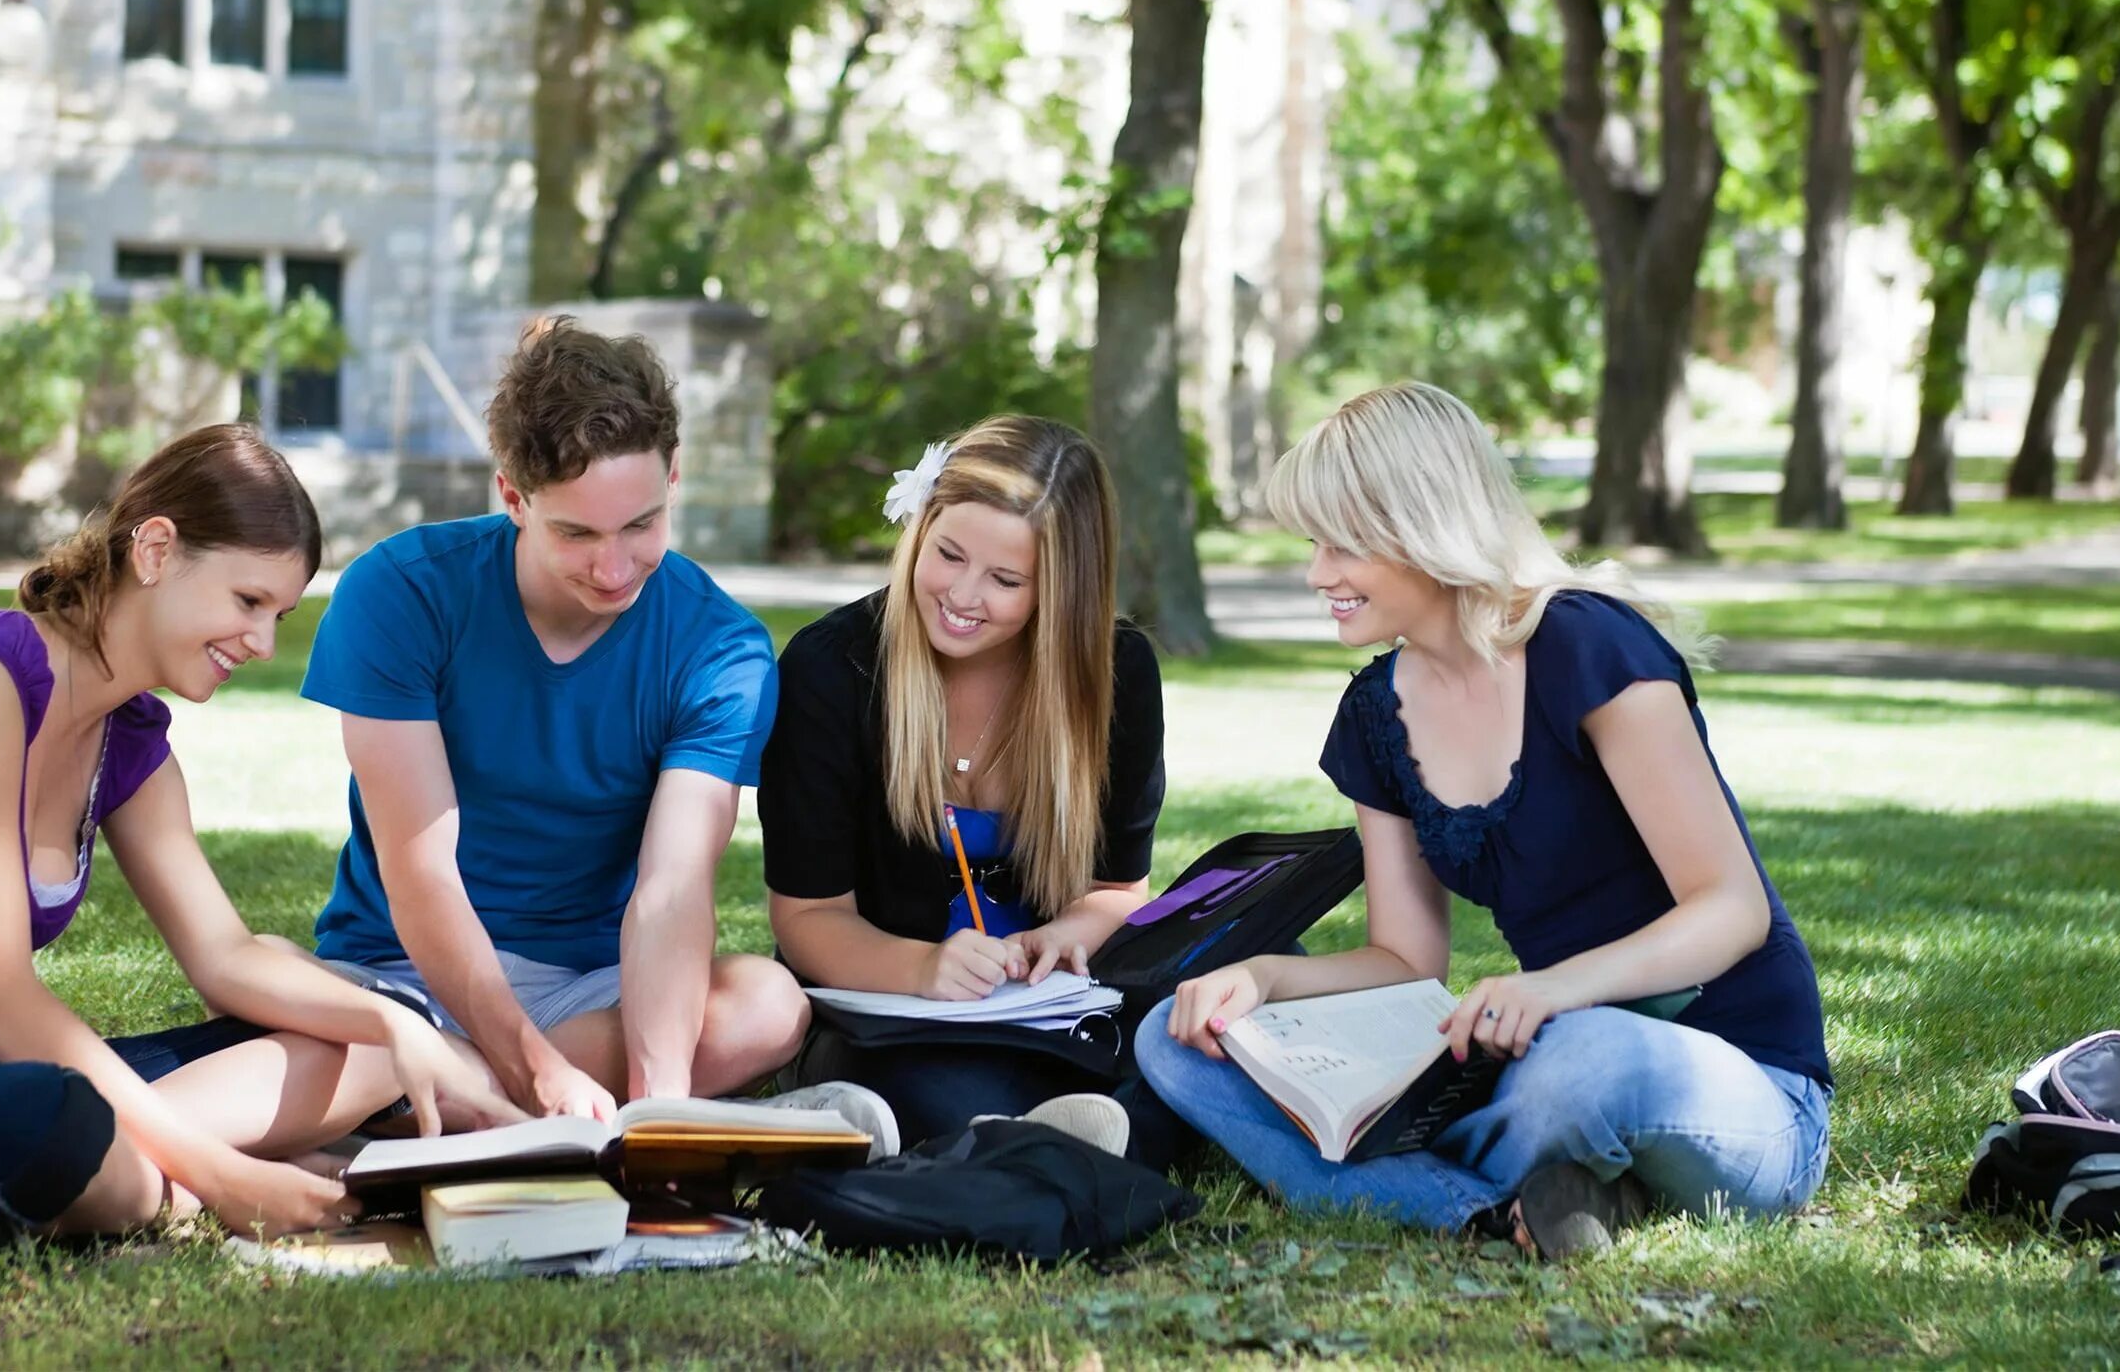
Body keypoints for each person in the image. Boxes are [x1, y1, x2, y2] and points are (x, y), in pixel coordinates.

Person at [0, 425, 511, 1249]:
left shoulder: (132, 744)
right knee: (69, 1125)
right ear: (155, 548)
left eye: (280, 613)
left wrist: (395, 1024)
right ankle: (163, 1176)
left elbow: (225, 957)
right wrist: (224, 1177)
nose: (263, 643)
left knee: (357, 1046)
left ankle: (51, 1193)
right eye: (248, 602)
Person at [1136, 384, 1832, 1256]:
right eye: (1313, 544)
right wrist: (1265, 980)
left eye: (1340, 544)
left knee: (1586, 1064)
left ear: (1423, 528)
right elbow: (1404, 960)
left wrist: (1550, 989)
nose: (1317, 574)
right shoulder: (1374, 716)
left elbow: (1731, 908)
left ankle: (1435, 1180)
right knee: (1174, 1041)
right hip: (1538, 1055)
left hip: (1732, 1080)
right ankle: (1511, 1209)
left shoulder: (1589, 647)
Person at [303, 319, 820, 1125]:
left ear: (673, 477)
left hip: (594, 986)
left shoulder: (721, 648)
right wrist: (533, 1066)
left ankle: (417, 1109)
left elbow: (671, 893)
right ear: (512, 495)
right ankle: (445, 1096)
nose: (614, 570)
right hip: (404, 971)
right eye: (576, 533)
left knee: (768, 1006)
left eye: (640, 526)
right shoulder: (400, 594)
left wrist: (661, 1112)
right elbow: (423, 879)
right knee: (337, 1043)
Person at [758, 416, 1169, 1157]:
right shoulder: (832, 672)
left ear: (1062, 593)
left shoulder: (1119, 673)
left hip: (1049, 1008)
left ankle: (1040, 1130)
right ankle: (1047, 1132)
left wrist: (1063, 939)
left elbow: (1117, 890)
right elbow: (808, 916)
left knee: (1242, 983)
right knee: (944, 1087)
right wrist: (924, 968)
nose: (962, 595)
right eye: (947, 554)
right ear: (920, 528)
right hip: (895, 1009)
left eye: (1006, 581)